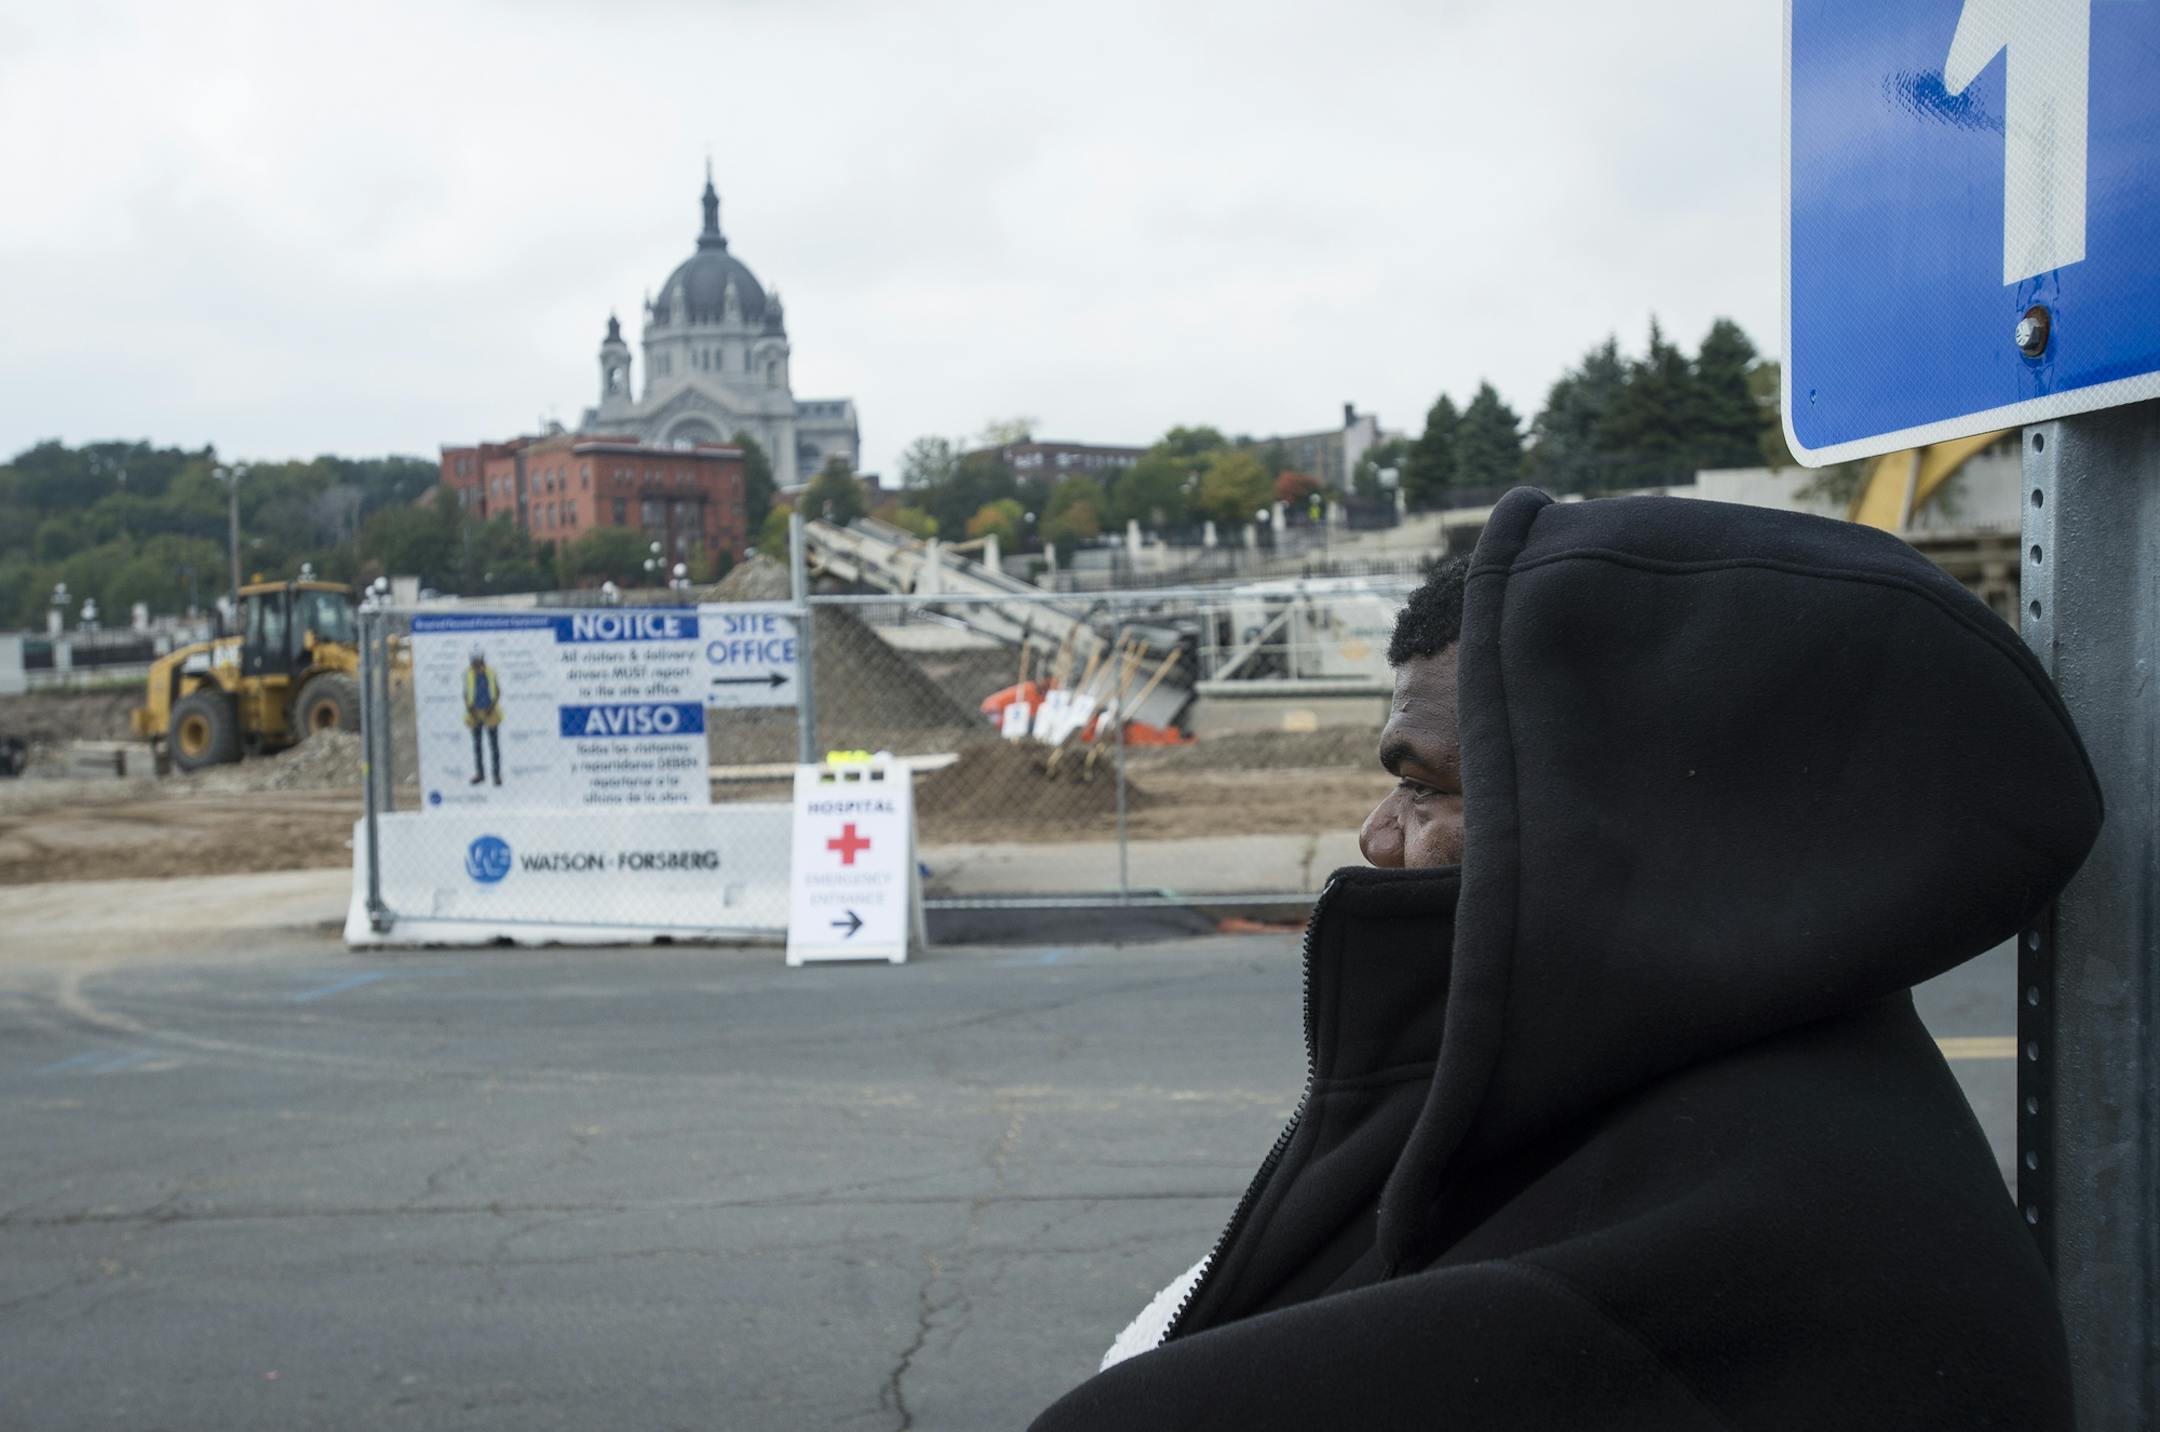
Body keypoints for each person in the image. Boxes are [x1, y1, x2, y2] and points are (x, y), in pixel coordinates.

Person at [1031, 486, 2102, 1430]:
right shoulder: (1772, 1093)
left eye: (1430, 784)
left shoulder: (1718, 1269)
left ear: (1629, 809)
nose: (1376, 834)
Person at [464, 648, 503, 786]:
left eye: (477, 661)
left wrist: (491, 707)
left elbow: (497, 691)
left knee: (494, 746)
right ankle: (480, 774)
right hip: (475, 712)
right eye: (474, 661)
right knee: (477, 746)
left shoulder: (491, 672)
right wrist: (471, 710)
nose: (475, 664)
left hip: (490, 711)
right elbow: (465, 693)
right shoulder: (468, 673)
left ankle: (496, 775)